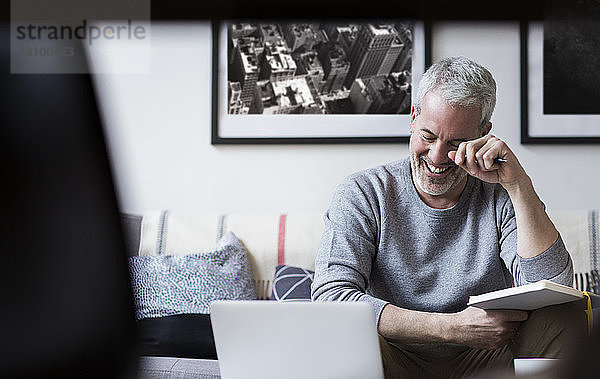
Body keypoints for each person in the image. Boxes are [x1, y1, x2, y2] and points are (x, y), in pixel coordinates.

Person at [311, 56, 587, 378]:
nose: (438, 156)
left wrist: (518, 185)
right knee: (341, 334)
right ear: (413, 119)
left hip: (484, 358)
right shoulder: (363, 192)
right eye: (428, 136)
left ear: (483, 134)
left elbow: (554, 287)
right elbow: (331, 298)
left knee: (563, 316)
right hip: (389, 357)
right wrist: (450, 327)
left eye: (456, 143)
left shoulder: (500, 194)